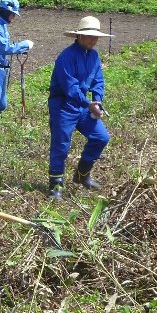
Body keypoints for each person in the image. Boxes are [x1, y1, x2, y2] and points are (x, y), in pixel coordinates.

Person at [46, 16, 112, 201]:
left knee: (101, 137)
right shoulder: (66, 57)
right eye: (89, 36)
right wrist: (87, 103)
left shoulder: (94, 56)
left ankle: (82, 174)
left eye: (95, 37)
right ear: (79, 36)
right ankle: (56, 184)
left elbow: (98, 80)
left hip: (83, 107)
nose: (93, 40)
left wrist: (97, 101)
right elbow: (70, 87)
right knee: (61, 145)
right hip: (63, 106)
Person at [0, 0, 33, 137]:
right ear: (5, 12)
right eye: (13, 14)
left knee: (1, 103)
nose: (14, 17)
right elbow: (4, 48)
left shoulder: (1, 25)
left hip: (2, 68)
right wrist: (24, 45)